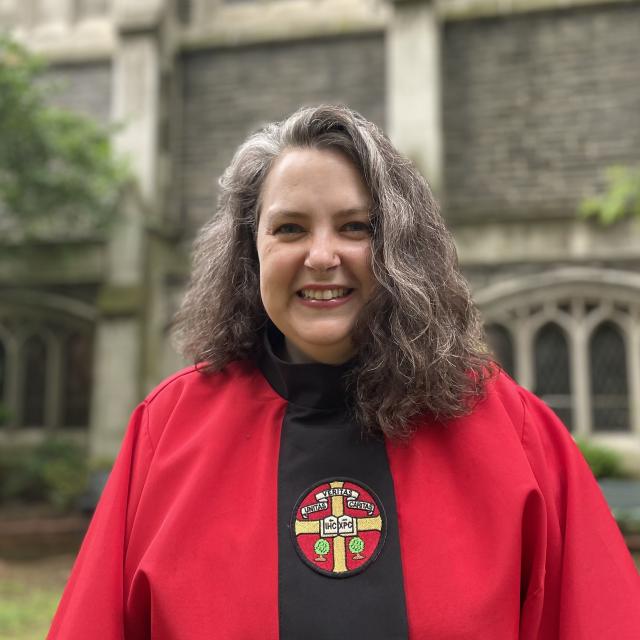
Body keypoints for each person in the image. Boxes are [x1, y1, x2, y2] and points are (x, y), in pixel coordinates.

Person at [48, 105, 640, 639]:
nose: (322, 255)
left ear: (402, 248)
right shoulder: (167, 431)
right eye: (290, 228)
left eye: (356, 227)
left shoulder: (513, 430)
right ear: (249, 251)